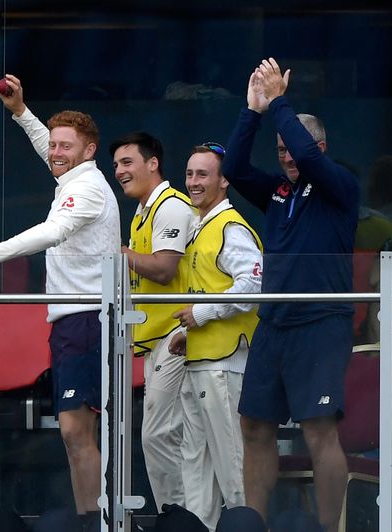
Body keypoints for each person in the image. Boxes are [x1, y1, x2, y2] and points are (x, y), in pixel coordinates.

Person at [0, 74, 121, 520]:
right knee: (75, 432)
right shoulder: (74, 175)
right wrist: (21, 112)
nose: (56, 152)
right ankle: (93, 516)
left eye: (67, 146)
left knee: (76, 428)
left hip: (87, 319)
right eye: (55, 145)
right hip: (74, 320)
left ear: (89, 152)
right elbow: (50, 144)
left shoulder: (86, 189)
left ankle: (95, 521)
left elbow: (52, 232)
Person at [223, 58, 359, 532]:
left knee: (319, 430)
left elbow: (309, 156)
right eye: (279, 149)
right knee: (255, 426)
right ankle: (254, 525)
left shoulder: (338, 186)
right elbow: (235, 168)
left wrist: (281, 100)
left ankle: (327, 528)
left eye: (293, 149)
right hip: (274, 323)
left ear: (318, 148)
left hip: (321, 321)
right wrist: (253, 111)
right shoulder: (279, 192)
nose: (285, 156)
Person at [167, 142, 262, 531]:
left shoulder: (231, 226)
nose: (193, 182)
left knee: (234, 469)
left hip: (226, 365)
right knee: (196, 472)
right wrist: (189, 331)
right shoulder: (201, 226)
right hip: (202, 360)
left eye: (202, 174)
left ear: (224, 181)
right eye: (189, 174)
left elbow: (254, 286)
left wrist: (200, 314)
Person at [109, 131, 194, 511]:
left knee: (160, 435)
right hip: (157, 339)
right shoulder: (143, 212)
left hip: (178, 335)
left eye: (127, 163)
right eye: (116, 166)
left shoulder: (171, 206)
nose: (119, 172)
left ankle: (178, 518)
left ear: (153, 163)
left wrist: (120, 253)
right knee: (170, 436)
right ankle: (182, 516)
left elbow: (163, 269)